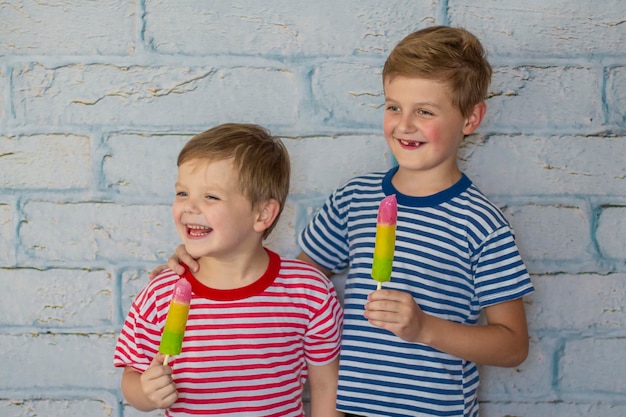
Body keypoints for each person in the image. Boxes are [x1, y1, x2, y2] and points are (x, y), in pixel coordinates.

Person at [158, 26, 535, 417]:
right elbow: (291, 286)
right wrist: (201, 263)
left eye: (424, 111)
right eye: (393, 107)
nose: (404, 124)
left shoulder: (481, 224)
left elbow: (512, 345)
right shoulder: (356, 199)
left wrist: (425, 328)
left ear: (471, 118)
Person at [115, 123, 344, 417]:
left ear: (262, 214)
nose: (190, 207)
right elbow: (131, 380)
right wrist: (147, 392)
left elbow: (326, 387)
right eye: (182, 193)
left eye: (211, 196)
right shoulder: (160, 294)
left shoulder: (308, 291)